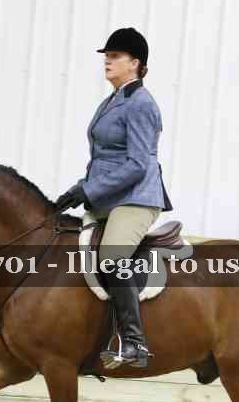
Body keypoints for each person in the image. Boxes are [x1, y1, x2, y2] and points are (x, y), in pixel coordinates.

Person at [55, 27, 173, 369]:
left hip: (136, 198)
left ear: (135, 63)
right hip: (109, 198)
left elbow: (137, 164)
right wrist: (79, 188)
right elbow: (107, 158)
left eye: (115, 56)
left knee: (111, 257)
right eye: (106, 55)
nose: (107, 60)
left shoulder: (141, 103)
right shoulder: (113, 100)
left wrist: (89, 190)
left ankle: (134, 342)